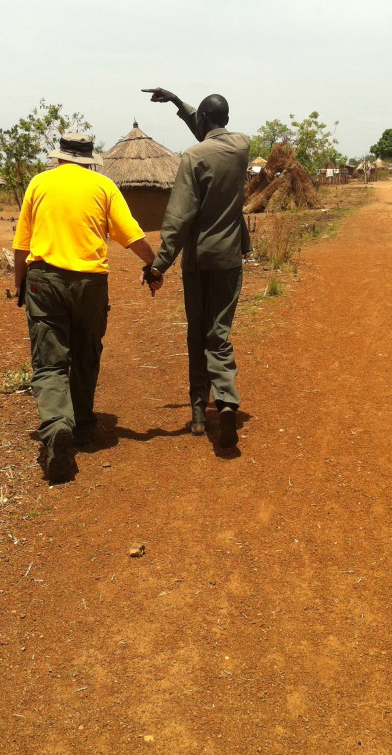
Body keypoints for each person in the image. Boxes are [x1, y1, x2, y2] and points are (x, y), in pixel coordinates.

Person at [13, 133, 161, 482]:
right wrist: (154, 267)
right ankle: (81, 427)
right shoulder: (104, 186)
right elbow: (133, 236)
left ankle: (55, 427)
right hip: (90, 285)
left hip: (44, 280)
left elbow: (21, 244)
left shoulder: (39, 184)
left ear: (60, 156)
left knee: (49, 362)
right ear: (88, 158)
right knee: (86, 354)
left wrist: (19, 282)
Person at [141, 87, 250, 448]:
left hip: (199, 262)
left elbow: (178, 218)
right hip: (230, 258)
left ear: (201, 120)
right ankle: (228, 402)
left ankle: (200, 414)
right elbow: (212, 136)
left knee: (196, 334)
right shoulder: (240, 147)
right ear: (227, 120)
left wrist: (159, 265)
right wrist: (179, 104)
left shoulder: (192, 157)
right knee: (218, 335)